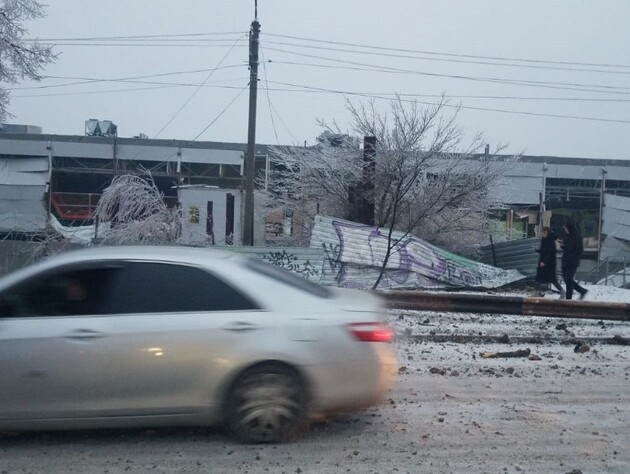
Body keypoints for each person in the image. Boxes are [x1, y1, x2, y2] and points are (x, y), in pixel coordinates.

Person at [560, 220, 588, 300]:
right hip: (565, 261)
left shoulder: (577, 238)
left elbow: (579, 250)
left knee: (568, 279)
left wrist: (568, 248)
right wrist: (563, 246)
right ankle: (581, 291)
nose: (565, 230)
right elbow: (566, 247)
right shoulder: (566, 236)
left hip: (572, 262)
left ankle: (569, 298)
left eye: (566, 228)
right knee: (567, 280)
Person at [535, 226, 565, 298]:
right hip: (544, 263)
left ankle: (562, 292)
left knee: (552, 280)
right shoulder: (545, 240)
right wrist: (538, 250)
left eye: (543, 233)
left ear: (546, 232)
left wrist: (544, 261)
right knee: (539, 278)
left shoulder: (550, 241)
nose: (542, 234)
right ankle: (538, 293)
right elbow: (544, 250)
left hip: (549, 264)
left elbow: (550, 253)